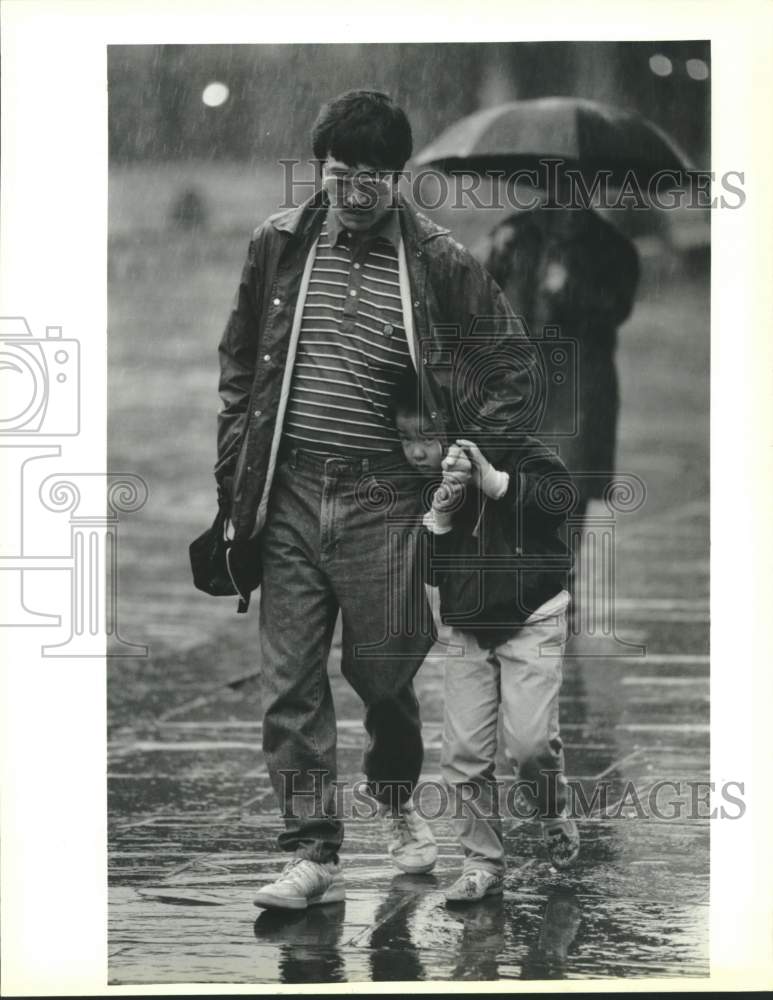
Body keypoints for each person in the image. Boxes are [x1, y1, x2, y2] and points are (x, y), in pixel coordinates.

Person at [214, 90, 539, 910]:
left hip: (386, 499)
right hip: (287, 495)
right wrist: (234, 486)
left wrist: (464, 456)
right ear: (320, 169)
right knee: (288, 682)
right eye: (338, 173)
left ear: (396, 178)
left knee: (385, 678)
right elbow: (240, 367)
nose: (353, 191)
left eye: (370, 178)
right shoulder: (277, 246)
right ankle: (310, 853)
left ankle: (394, 803)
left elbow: (512, 371)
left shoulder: (435, 262)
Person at [393, 372, 580, 905]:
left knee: (529, 745)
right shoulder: (425, 487)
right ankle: (481, 861)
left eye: (423, 438)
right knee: (465, 754)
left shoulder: (521, 451)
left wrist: (495, 482)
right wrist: (442, 517)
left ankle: (551, 807)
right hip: (468, 627)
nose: (414, 452)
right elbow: (424, 570)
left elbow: (559, 500)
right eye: (404, 439)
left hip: (533, 618)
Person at [474, 203, 639, 615]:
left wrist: (570, 290)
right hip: (521, 373)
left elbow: (618, 307)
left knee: (568, 478)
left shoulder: (611, 246)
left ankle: (557, 579)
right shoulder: (514, 232)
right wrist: (491, 256)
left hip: (580, 375)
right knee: (514, 474)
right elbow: (478, 296)